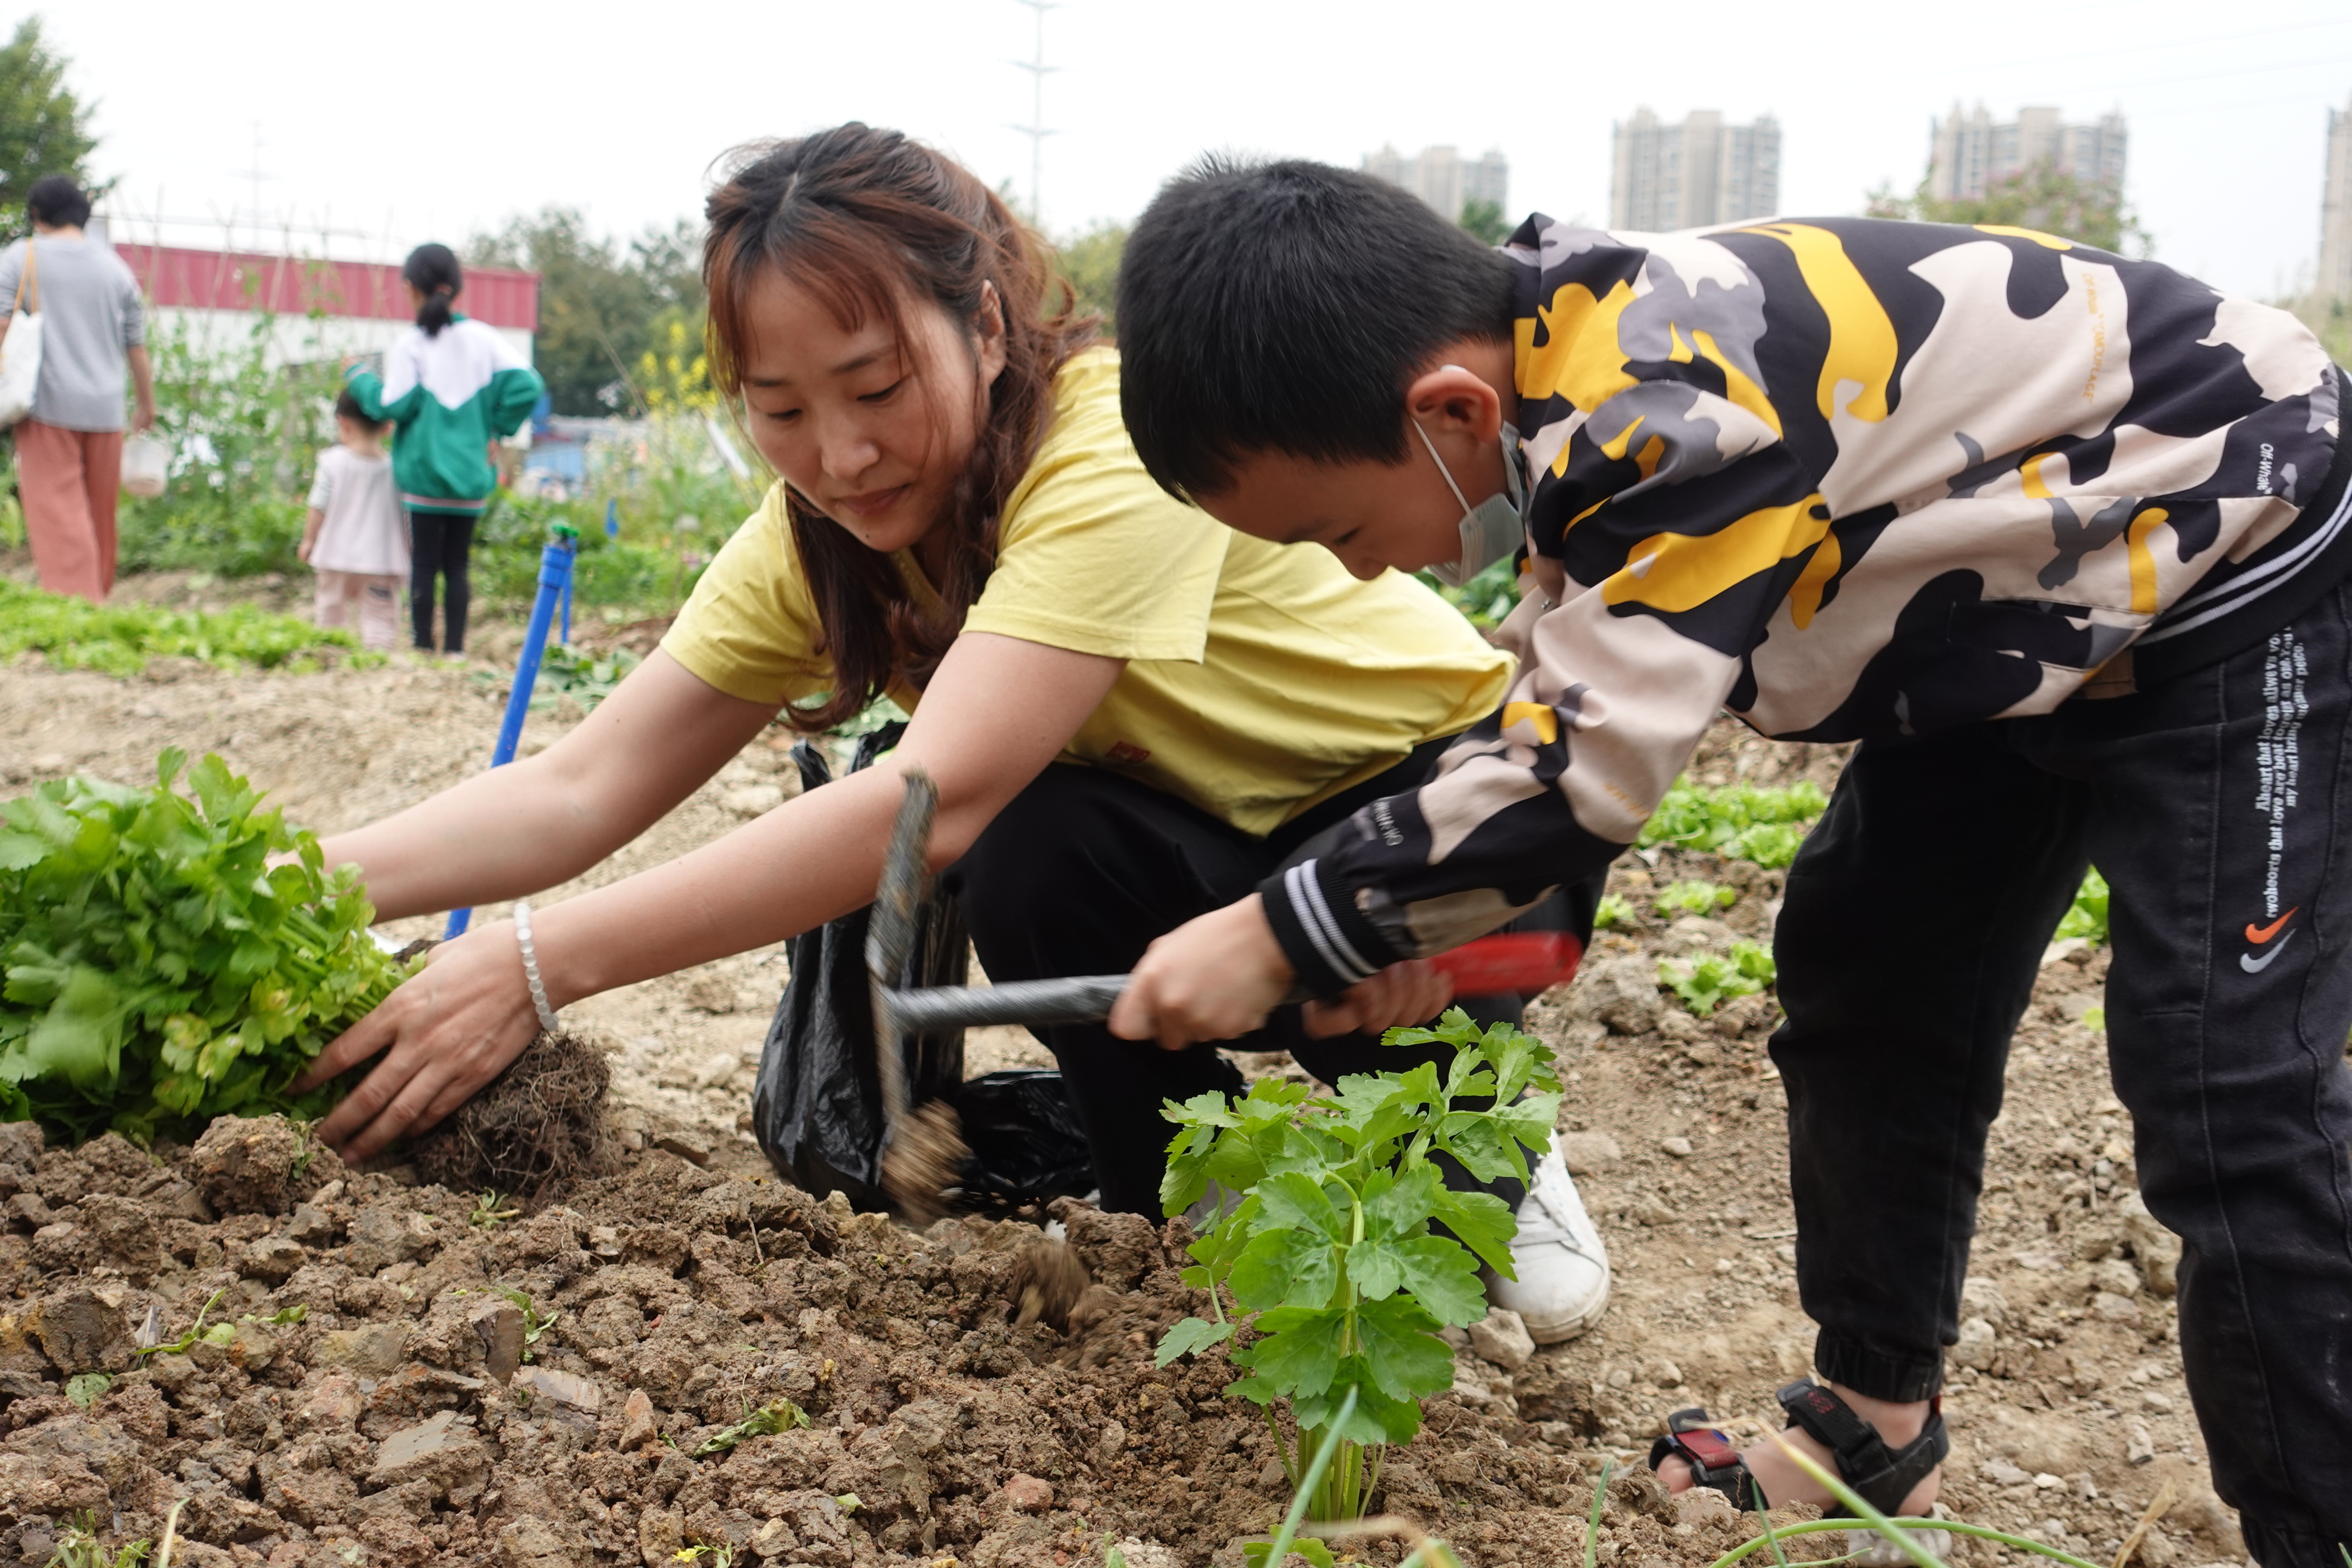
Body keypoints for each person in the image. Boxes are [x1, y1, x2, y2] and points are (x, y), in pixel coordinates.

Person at [1102, 157, 2349, 1561]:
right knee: (1869, 958)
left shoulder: (1664, 401)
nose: (1359, 573)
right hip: (2019, 589)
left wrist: (1280, 928)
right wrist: (1435, 935)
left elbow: (1564, 781)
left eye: (1332, 532)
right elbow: (1566, 712)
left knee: (2226, 1085)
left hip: (2234, 539)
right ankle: (1873, 1423)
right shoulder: (1548, 374)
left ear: (1443, 412)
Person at [293, 125, 1614, 1341]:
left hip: (1435, 809)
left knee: (1541, 1300)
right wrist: (287, 877)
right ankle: (1177, 1200)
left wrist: (538, 961)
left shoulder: (1115, 447)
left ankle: (1483, 1118)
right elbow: (582, 783)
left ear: (983, 324)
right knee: (1042, 850)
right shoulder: (817, 542)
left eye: (876, 386)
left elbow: (940, 789)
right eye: (784, 409)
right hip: (1201, 850)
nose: (846, 453)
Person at [343, 243, 542, 655]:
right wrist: (499, 429)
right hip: (470, 478)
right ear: (457, 289)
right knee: (457, 566)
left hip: (424, 478)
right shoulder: (485, 340)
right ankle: (455, 651)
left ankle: (421, 647)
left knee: (424, 566)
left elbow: (392, 405)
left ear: (411, 288)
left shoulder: (412, 345)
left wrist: (357, 376)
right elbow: (529, 385)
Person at [0, 176, 155, 602]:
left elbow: (2, 323)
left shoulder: (20, 257)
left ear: (36, 215)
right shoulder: (116, 269)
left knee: (59, 512)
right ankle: (98, 597)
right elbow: (136, 347)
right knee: (98, 513)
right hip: (107, 411)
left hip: (48, 404)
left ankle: (79, 608)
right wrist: (146, 405)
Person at [299, 389, 408, 650]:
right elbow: (406, 515)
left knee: (330, 610)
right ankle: (377, 658)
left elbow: (318, 505)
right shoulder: (396, 469)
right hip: (380, 560)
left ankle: (330, 653)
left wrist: (308, 540)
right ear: (388, 427)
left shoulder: (332, 462)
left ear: (343, 422)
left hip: (334, 556)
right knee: (380, 618)